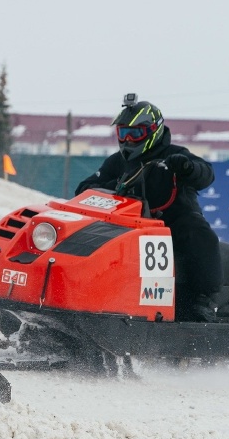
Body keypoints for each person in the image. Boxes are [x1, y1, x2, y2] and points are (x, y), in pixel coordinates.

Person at [75, 95, 221, 321]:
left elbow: (206, 174)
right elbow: (85, 188)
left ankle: (203, 299)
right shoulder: (118, 162)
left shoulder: (175, 154)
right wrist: (116, 186)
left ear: (154, 131)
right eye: (123, 133)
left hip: (172, 221)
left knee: (199, 234)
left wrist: (187, 168)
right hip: (127, 223)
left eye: (135, 133)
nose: (129, 140)